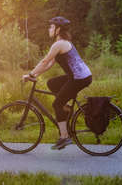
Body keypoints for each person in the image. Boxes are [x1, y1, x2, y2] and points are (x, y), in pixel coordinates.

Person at [22, 16, 92, 150]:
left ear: (58, 30)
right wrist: (35, 75)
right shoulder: (63, 43)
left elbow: (44, 61)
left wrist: (30, 74)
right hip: (80, 76)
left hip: (79, 78)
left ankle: (64, 137)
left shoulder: (59, 44)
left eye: (51, 27)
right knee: (52, 83)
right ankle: (66, 109)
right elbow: (48, 65)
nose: (49, 29)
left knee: (56, 104)